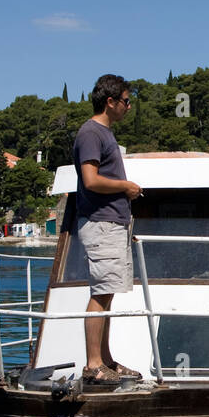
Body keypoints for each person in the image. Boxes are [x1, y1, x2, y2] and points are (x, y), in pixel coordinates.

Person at [73, 74, 143, 383]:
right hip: (101, 224)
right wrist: (126, 186)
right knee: (101, 293)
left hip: (112, 224)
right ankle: (94, 365)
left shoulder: (104, 133)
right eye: (126, 101)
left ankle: (106, 360)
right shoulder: (92, 133)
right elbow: (90, 180)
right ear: (110, 101)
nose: (129, 106)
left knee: (107, 294)